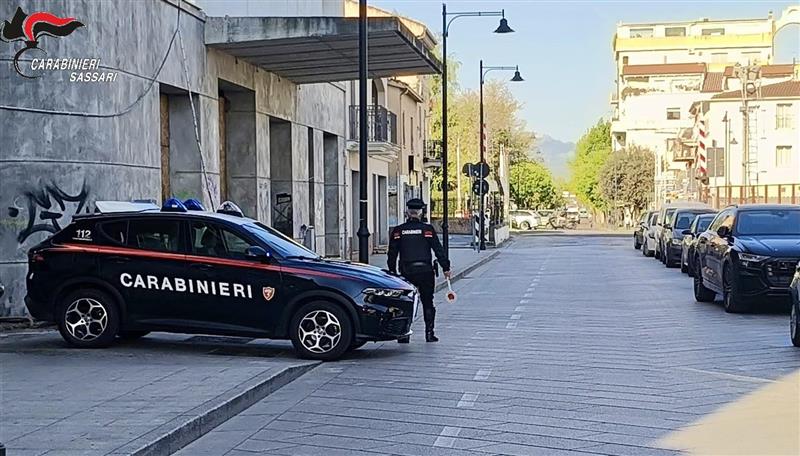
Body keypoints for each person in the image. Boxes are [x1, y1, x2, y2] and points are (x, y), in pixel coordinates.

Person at [388, 198, 452, 342]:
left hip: (406, 271)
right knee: (428, 302)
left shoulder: (399, 231)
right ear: (421, 212)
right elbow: (438, 250)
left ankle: (403, 335)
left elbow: (392, 254)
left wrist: (392, 273)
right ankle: (429, 334)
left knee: (405, 302)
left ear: (407, 212)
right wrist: (446, 268)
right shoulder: (427, 230)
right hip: (425, 271)